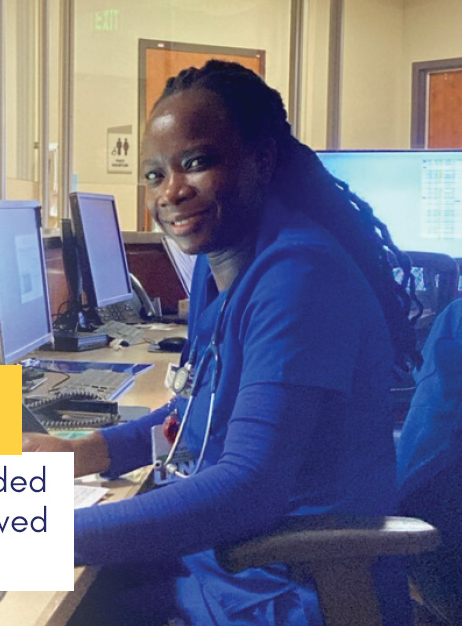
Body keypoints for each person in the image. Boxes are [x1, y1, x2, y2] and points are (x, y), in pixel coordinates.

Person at [24, 60, 420, 625]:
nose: (172, 192)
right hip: (221, 574)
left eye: (197, 163)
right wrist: (89, 451)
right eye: (155, 174)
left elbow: (246, 489)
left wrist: (26, 532)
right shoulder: (225, 266)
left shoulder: (299, 278)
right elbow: (195, 410)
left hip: (286, 594)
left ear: (261, 159)